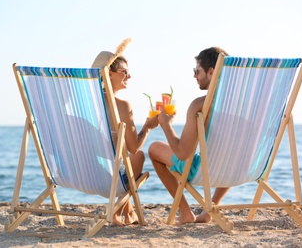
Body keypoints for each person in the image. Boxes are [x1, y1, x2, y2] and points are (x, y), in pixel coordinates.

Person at [148, 47, 230, 224]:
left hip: (210, 170)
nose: (194, 76)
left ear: (211, 71)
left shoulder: (200, 105)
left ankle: (185, 213)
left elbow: (182, 153)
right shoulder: (246, 104)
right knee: (231, 154)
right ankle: (209, 210)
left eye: (197, 71)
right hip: (240, 167)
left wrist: (166, 124)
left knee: (154, 148)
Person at [92, 51, 158, 226]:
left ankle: (130, 213)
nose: (129, 75)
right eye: (124, 71)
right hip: (109, 177)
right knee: (138, 157)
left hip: (86, 172)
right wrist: (148, 127)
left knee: (122, 163)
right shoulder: (122, 106)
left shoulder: (87, 105)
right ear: (109, 73)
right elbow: (134, 146)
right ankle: (116, 212)